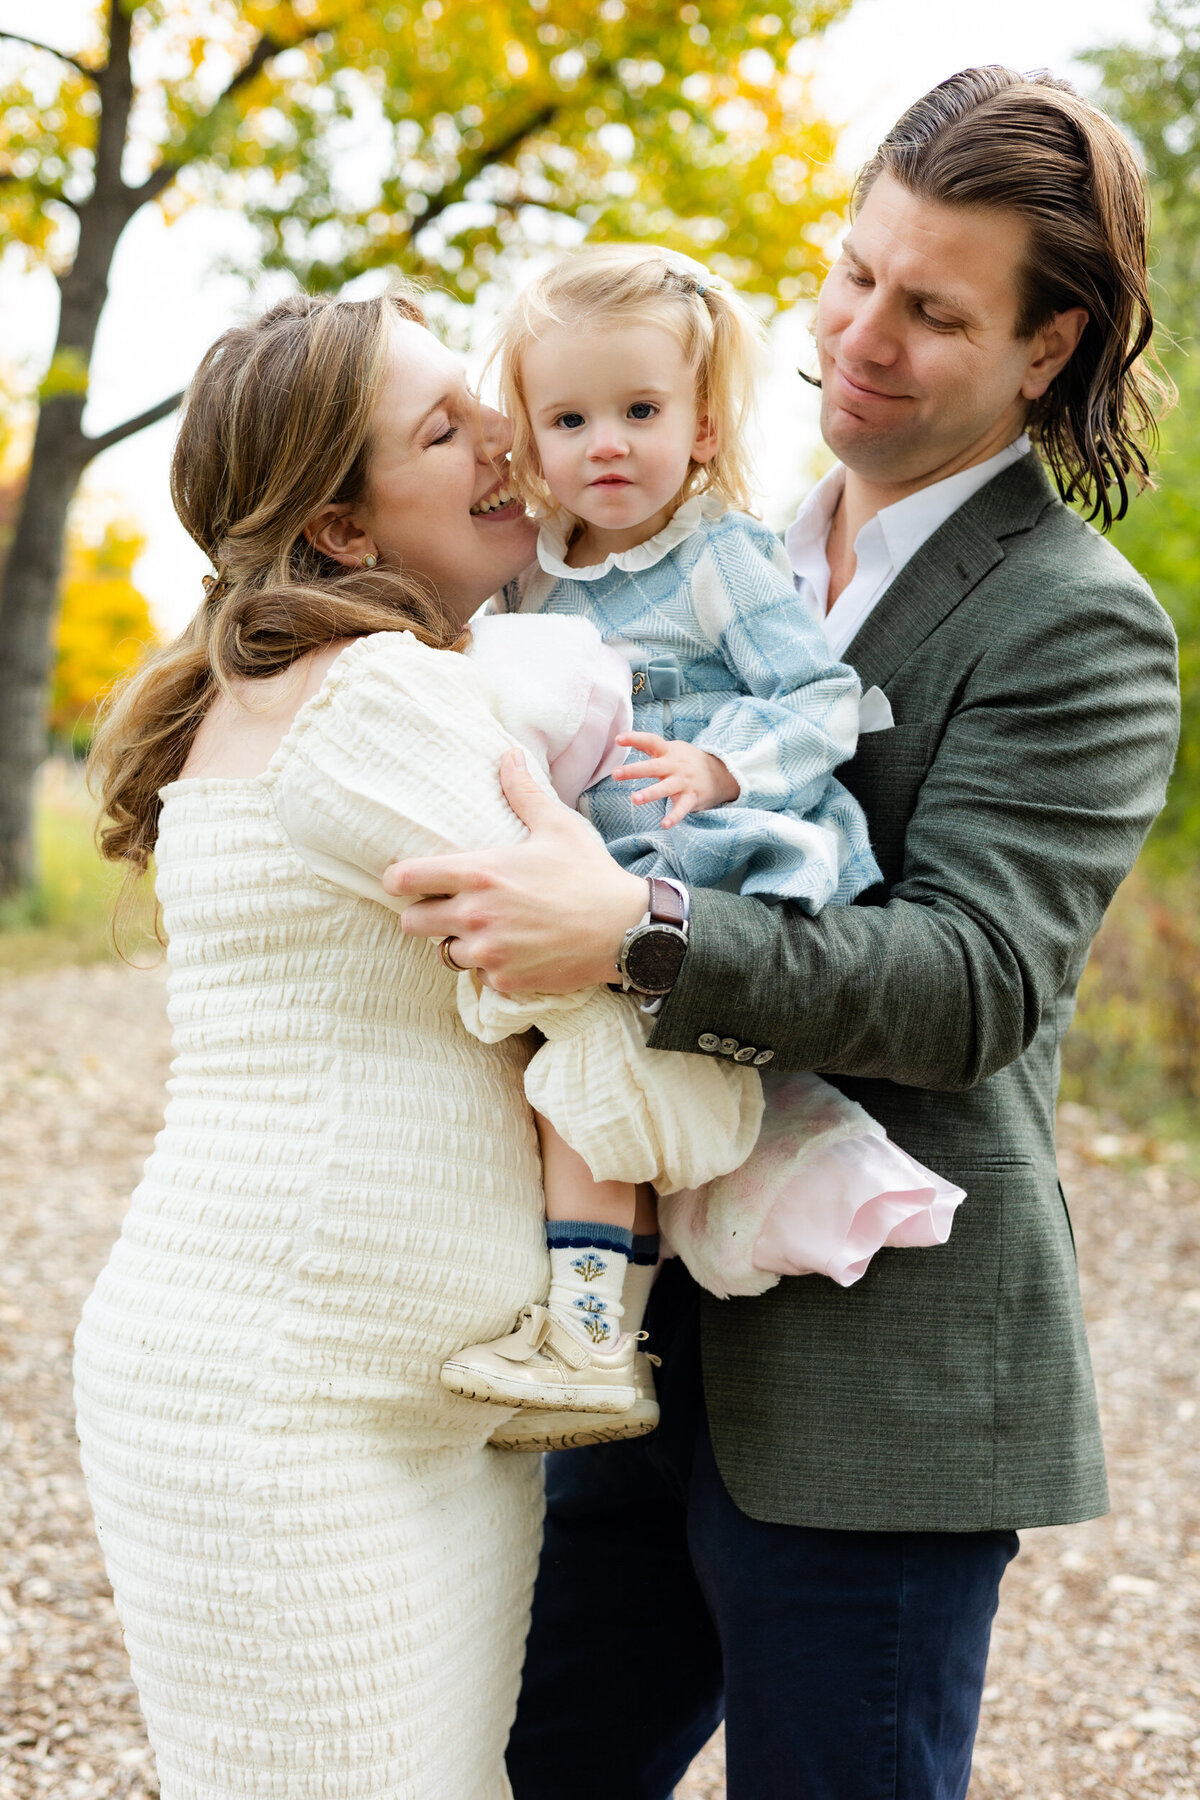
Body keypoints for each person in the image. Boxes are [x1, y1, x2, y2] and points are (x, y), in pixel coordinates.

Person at [383, 68, 1182, 1799]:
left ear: (1046, 351)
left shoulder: (1080, 628)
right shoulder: (703, 534)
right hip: (620, 1349)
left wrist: (637, 928)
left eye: (934, 309)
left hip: (874, 1400)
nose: (863, 333)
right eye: (852, 271)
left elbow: (972, 987)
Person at [74, 289, 761, 1799]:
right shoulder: (383, 693)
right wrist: (739, 1071)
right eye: (445, 429)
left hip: (402, 1411)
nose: (506, 437)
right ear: (337, 527)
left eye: (481, 398)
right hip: (295, 1415)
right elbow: (612, 1028)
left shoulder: (328, 682)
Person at [442, 244, 963, 1434]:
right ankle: (585, 1313)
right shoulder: (531, 578)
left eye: (640, 410)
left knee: (592, 1079)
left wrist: (722, 763)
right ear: (526, 435)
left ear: (704, 426)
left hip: (705, 847)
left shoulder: (715, 553)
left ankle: (589, 1334)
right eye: (569, 418)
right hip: (588, 861)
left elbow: (826, 700)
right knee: (551, 1081)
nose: (607, 444)